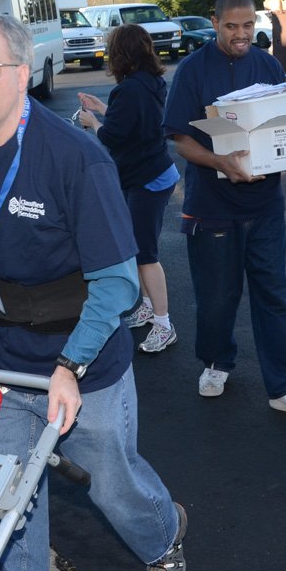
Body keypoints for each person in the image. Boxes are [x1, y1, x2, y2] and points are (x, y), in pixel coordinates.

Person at [0, 7, 187, 571]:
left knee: (112, 486)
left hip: (85, 358)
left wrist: (70, 366)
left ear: (21, 71)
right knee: (6, 510)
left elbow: (120, 283)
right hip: (2, 358)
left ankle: (162, 534)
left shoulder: (75, 158)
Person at [162, 0, 286, 420]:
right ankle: (217, 362)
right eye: (232, 26)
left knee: (275, 296)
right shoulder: (193, 70)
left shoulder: (269, 65)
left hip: (265, 206)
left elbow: (284, 132)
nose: (241, 34)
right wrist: (220, 161)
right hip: (212, 206)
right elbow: (181, 140)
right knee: (218, 298)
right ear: (215, 22)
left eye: (248, 25)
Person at [76, 23, 180, 353]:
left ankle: (164, 323)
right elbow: (138, 123)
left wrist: (92, 123)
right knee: (138, 247)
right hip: (157, 174)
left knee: (146, 254)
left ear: (120, 54)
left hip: (146, 179)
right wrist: (104, 109)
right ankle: (149, 307)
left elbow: (114, 137)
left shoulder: (129, 89)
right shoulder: (150, 83)